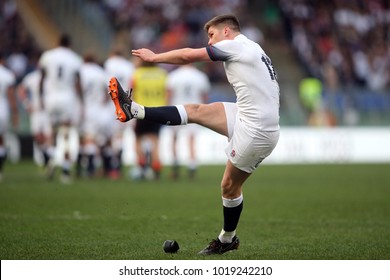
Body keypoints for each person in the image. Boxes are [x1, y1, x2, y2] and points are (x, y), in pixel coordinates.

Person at [108, 14, 280, 255]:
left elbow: (189, 55)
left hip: (258, 128)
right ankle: (134, 110)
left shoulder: (235, 46)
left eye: (212, 35)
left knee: (229, 186)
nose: (210, 42)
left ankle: (227, 238)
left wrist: (155, 57)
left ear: (227, 32)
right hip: (249, 114)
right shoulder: (252, 47)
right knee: (195, 110)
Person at [38, 34, 84, 183]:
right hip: (67, 98)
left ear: (58, 42)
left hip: (51, 97)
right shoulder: (75, 58)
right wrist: (82, 102)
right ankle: (65, 170)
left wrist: (41, 98)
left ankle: (51, 160)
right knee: (65, 134)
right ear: (69, 44)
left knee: (52, 133)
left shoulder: (48, 56)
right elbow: (78, 83)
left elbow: (41, 78)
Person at [166, 64, 210, 180]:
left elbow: (169, 95)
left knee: (174, 138)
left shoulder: (174, 75)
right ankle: (192, 165)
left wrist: (166, 110)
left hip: (177, 109)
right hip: (195, 110)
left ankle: (175, 165)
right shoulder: (200, 76)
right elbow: (205, 97)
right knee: (191, 139)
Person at [130, 59, 168, 180]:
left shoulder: (137, 73)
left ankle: (141, 165)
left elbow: (131, 92)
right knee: (155, 141)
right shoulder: (162, 74)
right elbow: (166, 92)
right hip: (158, 110)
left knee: (138, 139)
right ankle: (156, 166)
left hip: (141, 110)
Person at [103, 48, 135, 179]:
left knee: (109, 137)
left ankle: (110, 166)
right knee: (120, 137)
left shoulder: (108, 63)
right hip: (125, 103)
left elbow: (104, 83)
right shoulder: (129, 66)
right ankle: (117, 167)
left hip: (110, 104)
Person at [77, 53, 109, 177]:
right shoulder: (100, 72)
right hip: (97, 109)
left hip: (83, 108)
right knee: (95, 139)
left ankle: (83, 168)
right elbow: (107, 94)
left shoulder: (80, 70)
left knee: (83, 139)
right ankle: (97, 168)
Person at [0, 52, 18, 182]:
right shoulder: (7, 74)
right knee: (1, 141)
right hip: (2, 110)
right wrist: (15, 113)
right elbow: (11, 97)